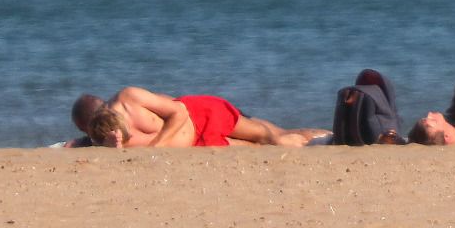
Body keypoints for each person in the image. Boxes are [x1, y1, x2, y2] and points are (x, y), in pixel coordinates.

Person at [79, 88, 325, 148]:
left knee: (269, 135)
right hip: (198, 143)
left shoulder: (128, 98)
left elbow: (179, 111)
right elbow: (70, 147)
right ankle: (312, 138)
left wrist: (156, 147)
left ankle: (320, 135)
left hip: (201, 115)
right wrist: (112, 149)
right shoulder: (103, 139)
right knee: (258, 147)